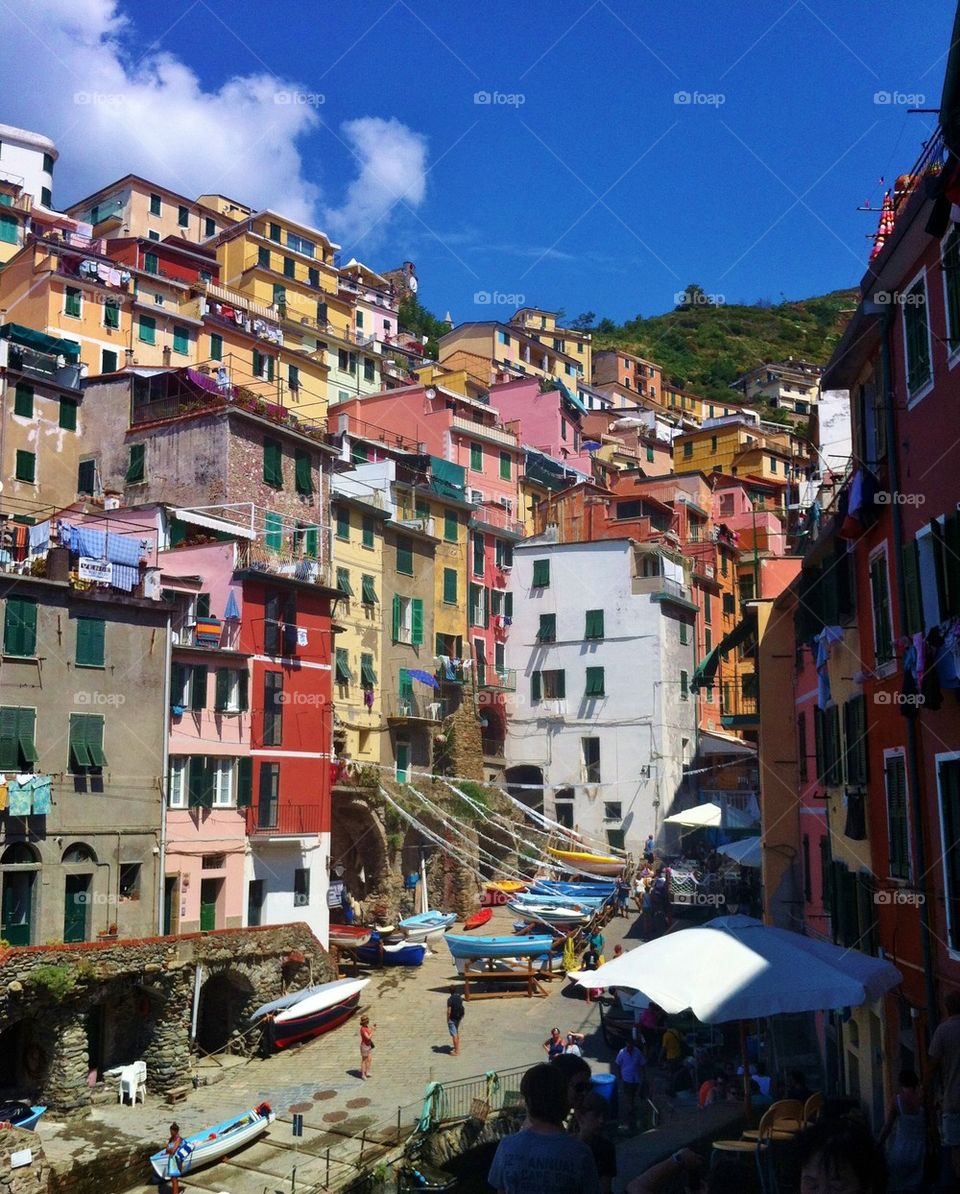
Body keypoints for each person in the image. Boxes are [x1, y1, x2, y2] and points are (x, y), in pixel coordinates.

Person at [487, 1062, 599, 1193]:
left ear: (528, 1101)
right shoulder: (580, 1152)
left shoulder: (507, 1146)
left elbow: (501, 1190)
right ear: (563, 1097)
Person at [927, 988, 960, 1191]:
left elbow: (932, 1065)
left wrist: (924, 1089)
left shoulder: (943, 1030)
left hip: (953, 1100)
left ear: (946, 1009)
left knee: (956, 1151)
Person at [879, 1069, 925, 1193]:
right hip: (920, 1150)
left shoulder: (897, 1100)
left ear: (901, 1083)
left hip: (901, 1148)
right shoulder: (923, 1100)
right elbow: (930, 1125)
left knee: (896, 1186)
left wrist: (879, 1144)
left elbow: (888, 1126)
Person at [577, 1092, 617, 1194]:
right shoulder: (606, 1148)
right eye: (596, 1115)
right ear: (581, 1117)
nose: (601, 1121)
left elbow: (605, 1189)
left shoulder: (606, 1149)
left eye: (604, 1116)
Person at [615, 1039, 646, 1133]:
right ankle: (630, 1108)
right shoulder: (622, 1052)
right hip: (626, 1077)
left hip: (635, 1078)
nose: (629, 1048)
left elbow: (642, 1064)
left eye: (631, 1046)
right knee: (628, 1094)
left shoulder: (638, 1052)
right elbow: (618, 1063)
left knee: (633, 1093)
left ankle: (631, 1106)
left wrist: (644, 1076)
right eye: (628, 1046)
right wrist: (619, 1074)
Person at [164, 1123, 184, 1194]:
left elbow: (172, 1151)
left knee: (174, 1179)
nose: (170, 1133)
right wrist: (168, 1149)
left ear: (176, 1131)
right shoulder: (171, 1139)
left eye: (171, 1132)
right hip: (171, 1160)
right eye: (170, 1131)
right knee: (173, 1179)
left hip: (175, 1161)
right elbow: (168, 1151)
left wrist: (167, 1148)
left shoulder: (178, 1139)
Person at [446, 986, 465, 1057]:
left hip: (452, 1018)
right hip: (459, 1017)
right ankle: (457, 1047)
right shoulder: (459, 997)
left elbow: (449, 1011)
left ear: (449, 991)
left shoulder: (450, 999)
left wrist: (447, 1019)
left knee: (454, 1034)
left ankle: (456, 1051)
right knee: (456, 1032)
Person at [359, 1014, 375, 1079]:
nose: (368, 1022)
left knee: (369, 1059)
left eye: (368, 1021)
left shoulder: (366, 1027)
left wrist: (372, 1029)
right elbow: (368, 1037)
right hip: (364, 1046)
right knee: (364, 1060)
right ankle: (363, 1075)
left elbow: (369, 1033)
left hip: (368, 1045)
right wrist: (373, 1031)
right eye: (367, 1021)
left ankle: (367, 1072)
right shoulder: (363, 1029)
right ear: (364, 1022)